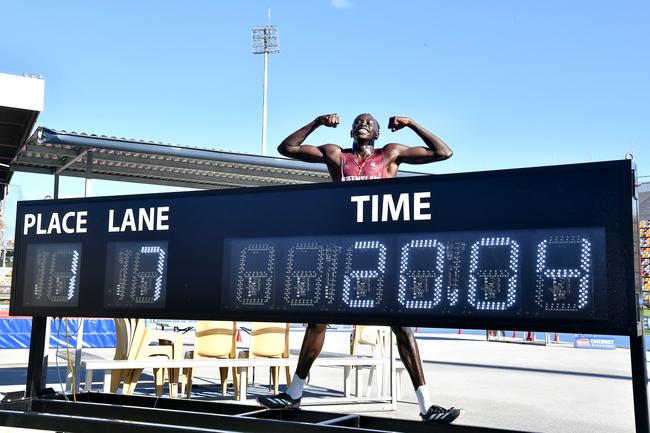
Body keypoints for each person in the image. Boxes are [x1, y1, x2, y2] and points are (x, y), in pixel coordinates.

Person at [256, 113, 461, 424]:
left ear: (377, 132)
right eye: (358, 121)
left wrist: (412, 125)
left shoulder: (389, 154)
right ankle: (293, 394)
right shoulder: (337, 155)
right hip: (345, 249)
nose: (363, 122)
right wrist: (316, 122)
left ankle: (426, 406)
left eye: (369, 121)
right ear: (352, 130)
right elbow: (288, 148)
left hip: (381, 251)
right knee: (318, 320)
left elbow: (443, 153)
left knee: (401, 326)